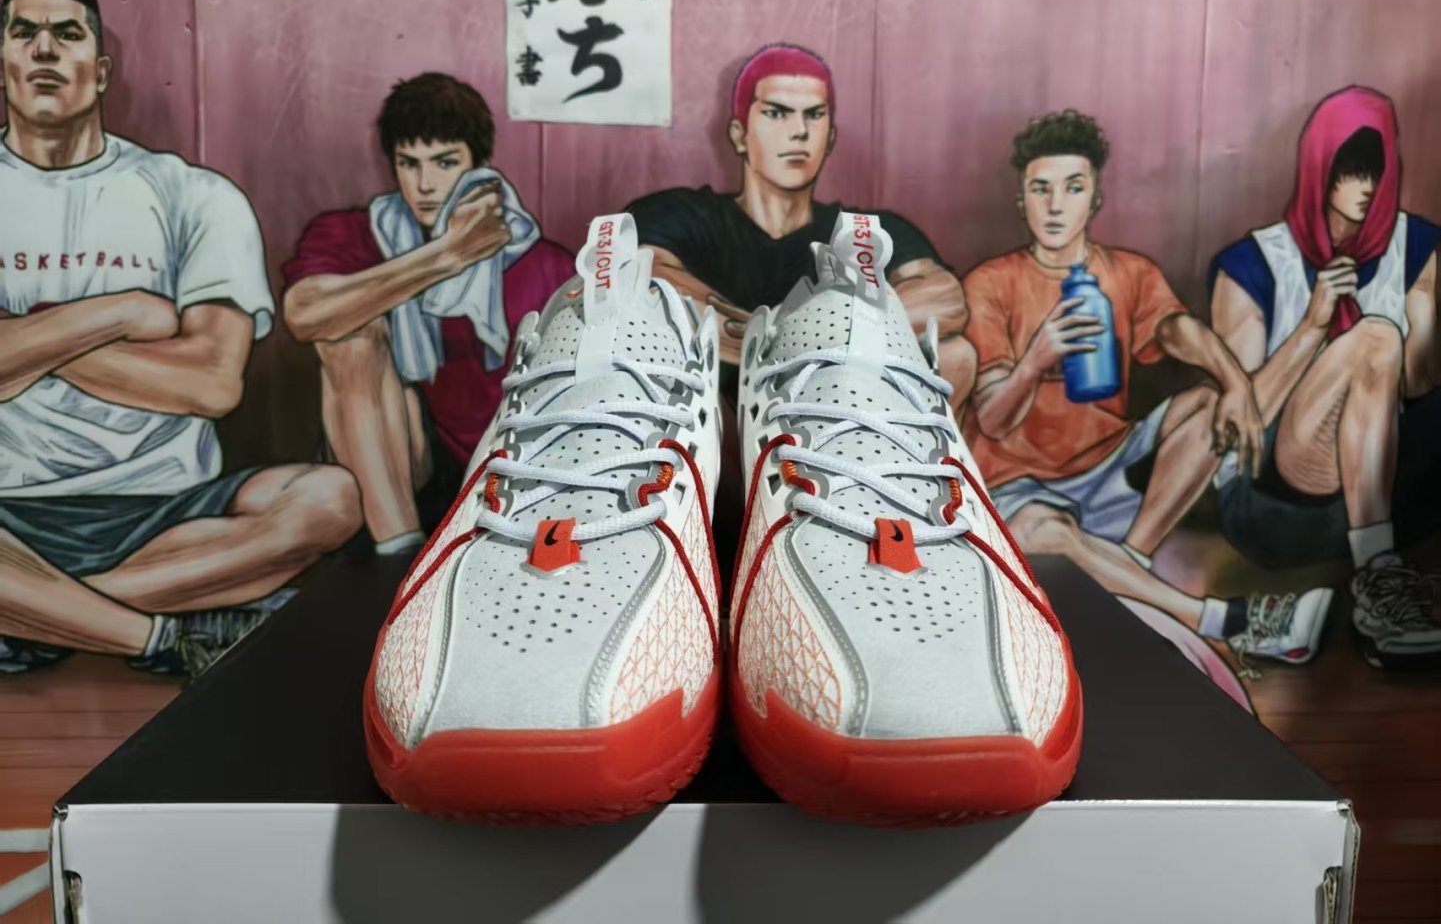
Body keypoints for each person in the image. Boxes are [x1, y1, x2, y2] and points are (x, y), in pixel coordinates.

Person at [0, 0, 362, 677]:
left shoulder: (192, 195)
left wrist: (26, 338)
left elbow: (210, 384)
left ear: (101, 72)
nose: (44, 49)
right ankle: (158, 637)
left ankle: (38, 616)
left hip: (168, 506)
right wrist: (124, 312)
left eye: (67, 34)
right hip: (10, 507)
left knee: (330, 499)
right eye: (24, 33)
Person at [962, 109, 1332, 669]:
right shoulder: (990, 282)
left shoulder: (1128, 272)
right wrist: (1036, 358)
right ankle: (1226, 621)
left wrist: (1235, 382)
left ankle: (1127, 566)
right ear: (1022, 200)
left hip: (1108, 470)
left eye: (1073, 187)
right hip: (1019, 486)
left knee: (1209, 405)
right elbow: (992, 421)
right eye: (1041, 189)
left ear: (1095, 198)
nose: (1056, 205)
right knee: (1041, 531)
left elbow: (1177, 331)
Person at [283, 73, 574, 555]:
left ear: (478, 165)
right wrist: (447, 255)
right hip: (397, 459)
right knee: (350, 334)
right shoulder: (355, 233)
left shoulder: (544, 264)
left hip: (510, 464)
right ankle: (396, 559)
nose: (424, 184)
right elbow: (305, 315)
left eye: (444, 163)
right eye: (408, 164)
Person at [1209, 85, 1441, 668]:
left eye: (1377, 172)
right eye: (1351, 171)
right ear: (1320, 170)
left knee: (1383, 341)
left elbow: (1419, 386)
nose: (1367, 188)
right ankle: (1379, 575)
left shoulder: (1417, 247)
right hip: (1273, 484)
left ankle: (1381, 576)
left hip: (1391, 472)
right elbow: (1239, 423)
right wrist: (1313, 327)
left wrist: (1422, 325)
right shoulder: (1253, 265)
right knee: (1376, 335)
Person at [625, 43, 977, 407]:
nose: (799, 131)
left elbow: (943, 299)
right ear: (739, 134)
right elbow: (641, 279)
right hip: (707, 411)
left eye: (814, 115)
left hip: (833, 409)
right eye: (777, 113)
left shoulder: (867, 229)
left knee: (955, 354)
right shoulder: (681, 213)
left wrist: (805, 341)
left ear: (831, 137)